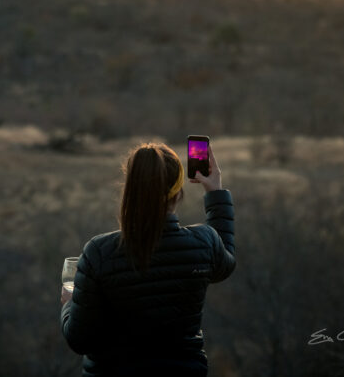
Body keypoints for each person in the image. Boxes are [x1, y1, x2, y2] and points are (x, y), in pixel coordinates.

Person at [60, 141, 235, 376]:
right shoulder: (204, 243)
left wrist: (70, 304)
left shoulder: (99, 253)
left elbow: (79, 340)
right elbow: (225, 262)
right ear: (178, 191)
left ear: (129, 189)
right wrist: (215, 193)